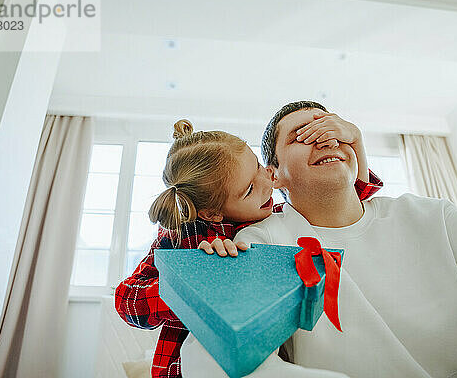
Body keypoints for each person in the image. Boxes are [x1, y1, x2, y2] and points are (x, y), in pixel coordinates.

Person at [206, 100, 457, 378]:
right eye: (302, 135)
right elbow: (220, 358)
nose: (327, 138)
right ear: (274, 174)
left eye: (333, 129)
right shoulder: (259, 243)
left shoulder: (431, 217)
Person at [114, 118, 383, 378]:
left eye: (257, 165)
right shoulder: (180, 237)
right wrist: (199, 277)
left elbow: (340, 203)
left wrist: (355, 141)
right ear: (212, 214)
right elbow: (128, 301)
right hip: (185, 370)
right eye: (250, 188)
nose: (268, 181)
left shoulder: (271, 217)